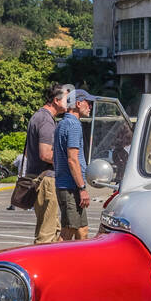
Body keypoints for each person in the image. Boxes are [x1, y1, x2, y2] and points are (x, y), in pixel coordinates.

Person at [24, 84, 66, 245]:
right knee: (47, 233)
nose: (70, 103)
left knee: (51, 228)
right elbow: (46, 153)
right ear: (56, 100)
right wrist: (67, 161)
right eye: (67, 100)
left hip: (38, 178)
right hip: (46, 180)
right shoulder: (46, 120)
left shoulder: (38, 117)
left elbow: (29, 152)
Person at [54, 91, 94, 242]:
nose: (90, 107)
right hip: (71, 187)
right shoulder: (74, 125)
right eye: (88, 103)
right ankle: (54, 264)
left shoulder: (63, 123)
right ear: (78, 104)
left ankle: (83, 263)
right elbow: (72, 159)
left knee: (82, 230)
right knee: (67, 232)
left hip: (67, 185)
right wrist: (82, 188)